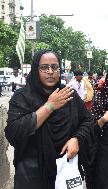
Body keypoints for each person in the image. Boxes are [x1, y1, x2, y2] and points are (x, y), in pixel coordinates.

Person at [4, 50, 95, 189]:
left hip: (65, 171)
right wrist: (50, 106)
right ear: (36, 69)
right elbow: (14, 132)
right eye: (44, 67)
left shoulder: (68, 94)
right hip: (31, 174)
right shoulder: (22, 96)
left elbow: (88, 120)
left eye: (54, 67)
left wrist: (77, 138)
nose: (50, 71)